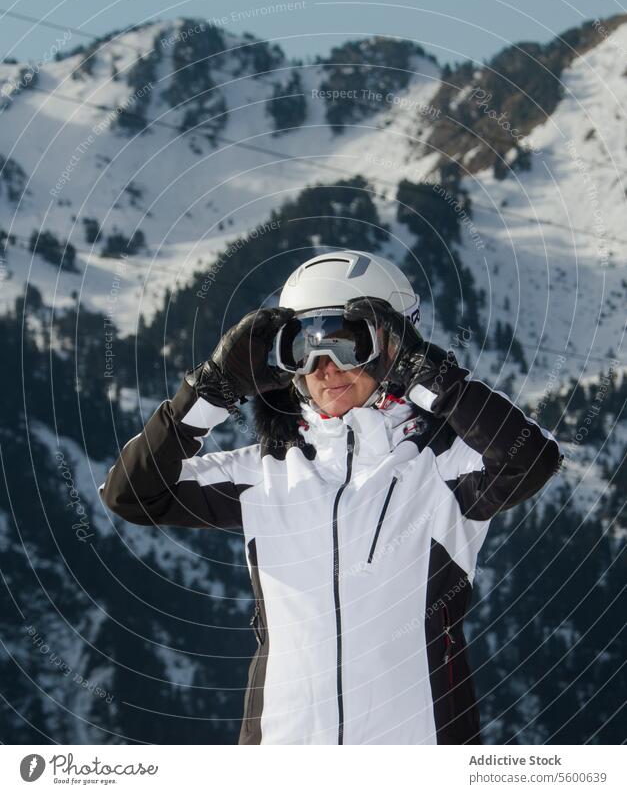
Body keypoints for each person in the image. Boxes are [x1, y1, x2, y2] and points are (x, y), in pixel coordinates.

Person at [100, 249, 562, 745]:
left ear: (394, 347)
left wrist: (430, 374)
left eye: (348, 343)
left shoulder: (442, 467)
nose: (325, 368)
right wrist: (211, 393)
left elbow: (531, 459)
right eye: (302, 348)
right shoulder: (266, 473)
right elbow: (131, 495)